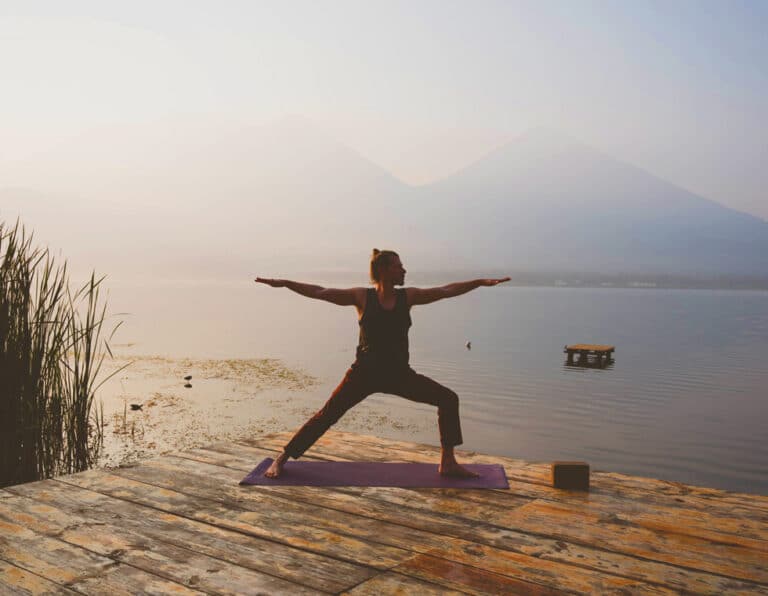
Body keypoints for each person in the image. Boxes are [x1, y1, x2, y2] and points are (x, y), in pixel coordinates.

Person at [254, 249, 510, 478]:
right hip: (363, 374)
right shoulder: (362, 297)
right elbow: (321, 292)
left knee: (447, 398)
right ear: (384, 270)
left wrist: (478, 282)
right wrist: (287, 283)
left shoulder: (407, 297)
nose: (404, 270)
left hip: (399, 374)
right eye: (399, 266)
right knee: (327, 415)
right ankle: (282, 457)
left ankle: (448, 462)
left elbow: (444, 291)